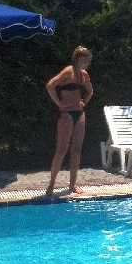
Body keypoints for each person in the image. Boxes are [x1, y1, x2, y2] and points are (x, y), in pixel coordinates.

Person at [46, 46, 93, 196]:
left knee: (77, 150)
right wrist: (60, 104)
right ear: (77, 59)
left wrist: (84, 102)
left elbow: (90, 91)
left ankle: (73, 184)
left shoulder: (83, 75)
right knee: (61, 149)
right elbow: (50, 86)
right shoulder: (68, 71)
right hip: (66, 114)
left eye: (87, 60)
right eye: (83, 59)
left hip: (79, 114)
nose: (85, 62)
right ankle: (51, 185)